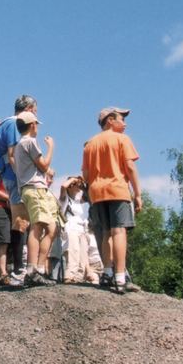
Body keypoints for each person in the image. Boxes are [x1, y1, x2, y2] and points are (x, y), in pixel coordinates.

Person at [82, 107, 143, 294]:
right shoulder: (122, 139)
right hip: (118, 189)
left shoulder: (90, 143)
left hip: (97, 193)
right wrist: (138, 193)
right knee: (119, 231)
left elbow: (85, 173)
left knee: (105, 233)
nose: (124, 123)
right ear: (110, 120)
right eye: (121, 119)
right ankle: (120, 277)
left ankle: (107, 273)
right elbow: (130, 166)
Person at [0, 95, 39, 279]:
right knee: (21, 220)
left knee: (20, 220)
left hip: (8, 176)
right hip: (16, 177)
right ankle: (19, 268)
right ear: (28, 108)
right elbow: (13, 155)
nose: (36, 114)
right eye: (35, 110)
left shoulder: (4, 124)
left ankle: (17, 266)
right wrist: (23, 179)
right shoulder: (15, 123)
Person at [13, 111, 58, 286]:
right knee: (37, 226)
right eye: (36, 124)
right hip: (34, 188)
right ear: (32, 125)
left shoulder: (19, 145)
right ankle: (32, 270)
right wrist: (51, 147)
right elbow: (44, 165)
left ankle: (38, 268)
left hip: (35, 188)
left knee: (52, 228)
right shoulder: (29, 142)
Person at [59, 176, 94, 284]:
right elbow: (63, 186)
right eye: (75, 185)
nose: (77, 187)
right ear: (70, 186)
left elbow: (89, 196)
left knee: (83, 254)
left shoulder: (78, 201)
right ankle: (69, 275)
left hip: (81, 229)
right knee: (73, 251)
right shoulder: (65, 199)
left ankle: (78, 277)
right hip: (70, 227)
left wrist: (83, 184)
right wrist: (73, 179)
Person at [0, 177, 22, 287]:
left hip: (15, 209)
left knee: (14, 242)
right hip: (0, 208)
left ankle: (11, 272)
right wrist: (10, 198)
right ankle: (3, 274)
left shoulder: (14, 172)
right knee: (3, 241)